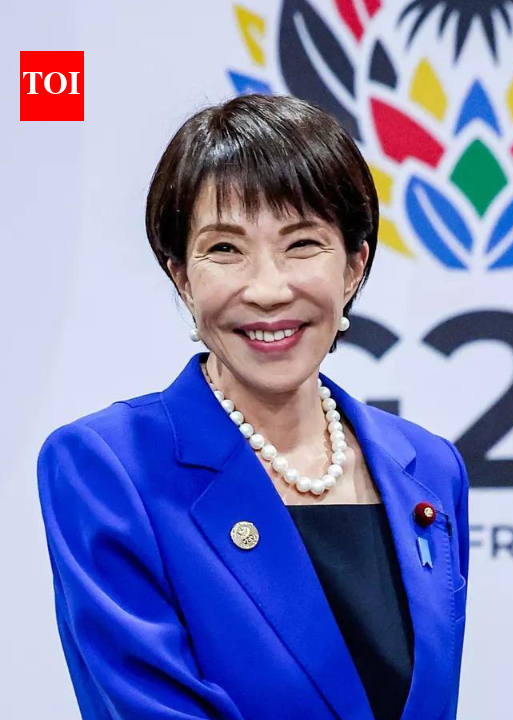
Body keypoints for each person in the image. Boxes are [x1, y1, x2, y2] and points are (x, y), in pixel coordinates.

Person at [37, 94, 469, 720]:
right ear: (181, 276)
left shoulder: (428, 468)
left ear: (354, 266)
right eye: (225, 250)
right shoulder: (108, 468)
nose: (268, 289)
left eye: (302, 245)